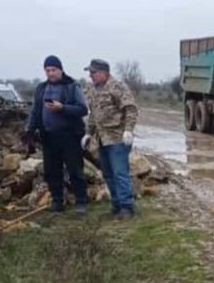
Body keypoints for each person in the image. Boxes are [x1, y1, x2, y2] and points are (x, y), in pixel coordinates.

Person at [27, 56, 90, 214]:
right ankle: (57, 201)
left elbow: (82, 109)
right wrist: (29, 129)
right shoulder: (41, 88)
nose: (51, 73)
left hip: (70, 136)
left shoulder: (71, 86)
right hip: (48, 137)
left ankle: (81, 201)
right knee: (52, 171)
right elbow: (35, 111)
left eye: (53, 70)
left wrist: (63, 108)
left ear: (60, 69)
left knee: (75, 170)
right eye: (47, 70)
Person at [82, 59, 138, 219]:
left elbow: (131, 109)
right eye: (90, 73)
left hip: (117, 138)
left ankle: (127, 207)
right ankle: (116, 204)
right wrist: (88, 133)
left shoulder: (117, 87)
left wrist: (128, 130)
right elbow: (93, 115)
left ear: (103, 73)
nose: (91, 76)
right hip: (101, 139)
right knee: (108, 174)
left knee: (120, 173)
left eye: (93, 73)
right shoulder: (93, 90)